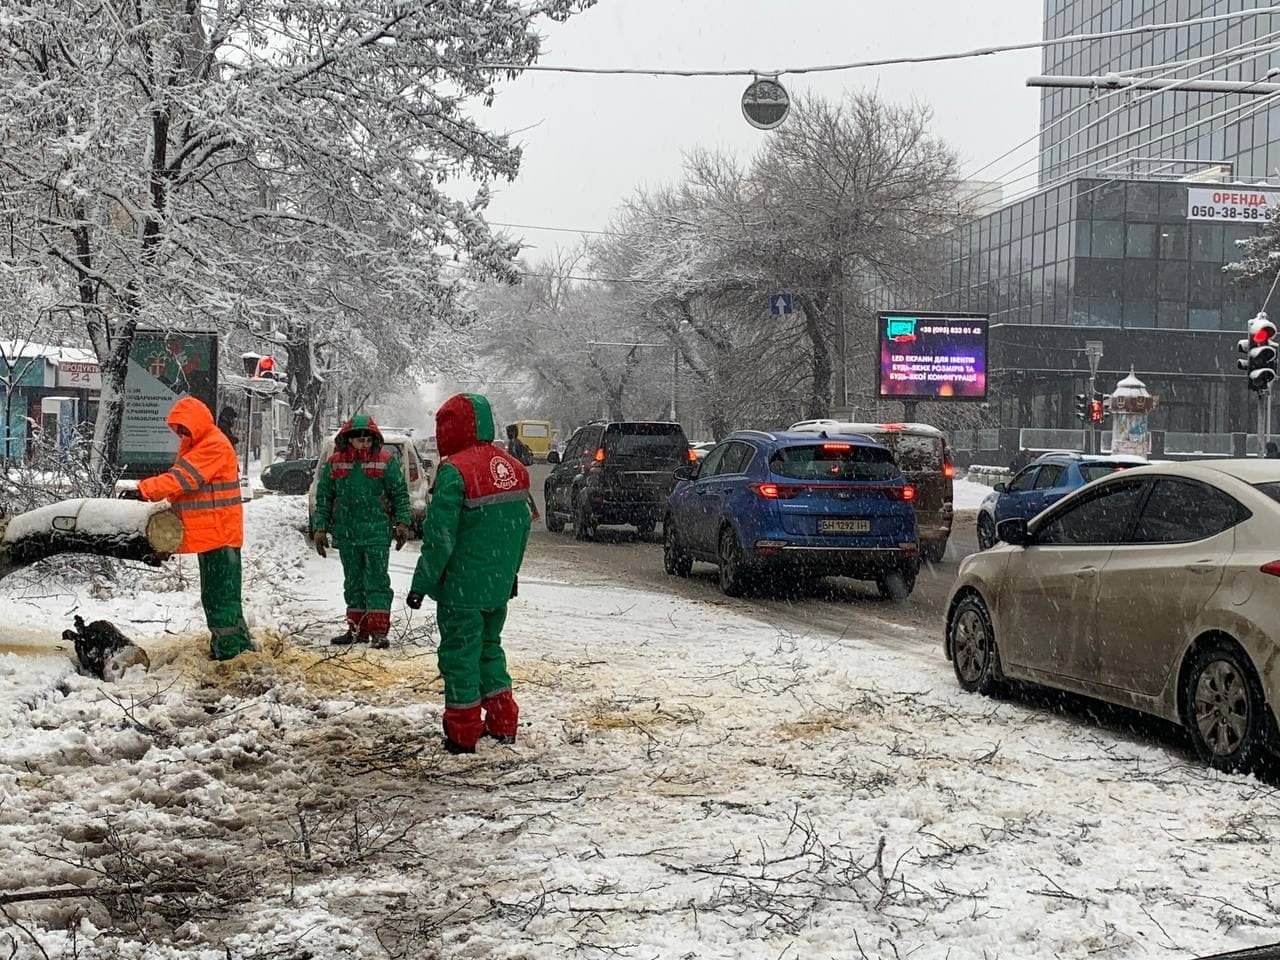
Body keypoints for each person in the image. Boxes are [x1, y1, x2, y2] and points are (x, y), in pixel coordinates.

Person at [407, 394, 531, 754]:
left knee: (460, 657)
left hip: (461, 590)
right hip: (497, 587)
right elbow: (521, 530)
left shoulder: (454, 471)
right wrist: (510, 574)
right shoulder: (513, 468)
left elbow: (440, 537)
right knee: (490, 651)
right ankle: (504, 723)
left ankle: (462, 734)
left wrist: (421, 585)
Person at [137, 396, 253, 661]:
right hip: (214, 534)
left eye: (185, 427)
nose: (182, 433)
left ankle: (229, 653)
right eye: (179, 429)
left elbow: (182, 479)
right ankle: (239, 647)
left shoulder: (212, 445)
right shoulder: (201, 443)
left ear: (198, 423)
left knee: (220, 598)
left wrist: (144, 490)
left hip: (220, 534)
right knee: (219, 596)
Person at [312, 414, 411, 649]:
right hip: (347, 534)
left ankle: (378, 631)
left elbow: (399, 494)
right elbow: (324, 497)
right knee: (353, 582)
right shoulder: (335, 463)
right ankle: (356, 630)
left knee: (376, 581)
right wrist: (319, 528)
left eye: (368, 440)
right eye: (360, 440)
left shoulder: (386, 461)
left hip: (376, 532)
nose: (364, 444)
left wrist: (403, 523)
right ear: (349, 440)